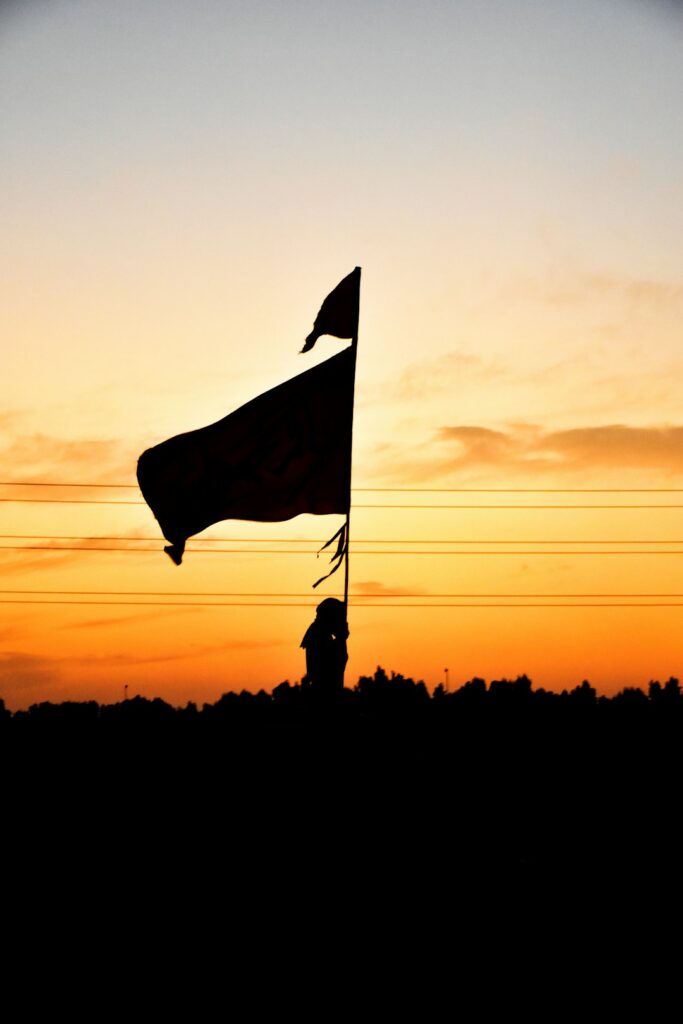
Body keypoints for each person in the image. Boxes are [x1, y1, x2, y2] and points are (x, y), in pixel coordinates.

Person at [300, 598, 349, 694]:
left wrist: (341, 638)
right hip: (324, 694)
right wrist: (341, 639)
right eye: (338, 619)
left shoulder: (318, 632)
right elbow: (334, 664)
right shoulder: (318, 634)